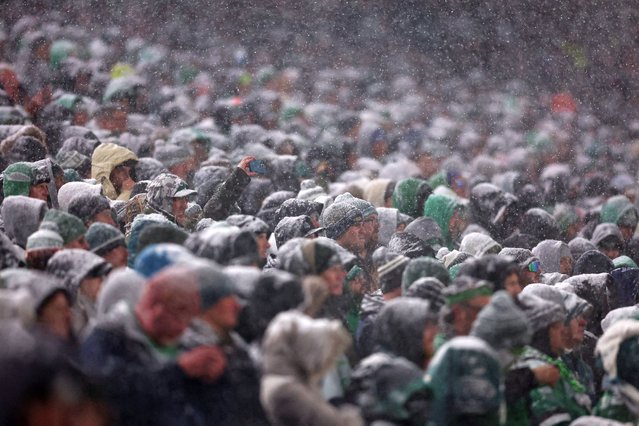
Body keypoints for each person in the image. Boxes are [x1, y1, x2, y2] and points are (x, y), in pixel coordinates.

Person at [81, 265, 227, 425]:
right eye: (179, 315)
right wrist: (178, 370)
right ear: (155, 308)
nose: (183, 327)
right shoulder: (109, 337)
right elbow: (112, 392)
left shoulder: (186, 340)